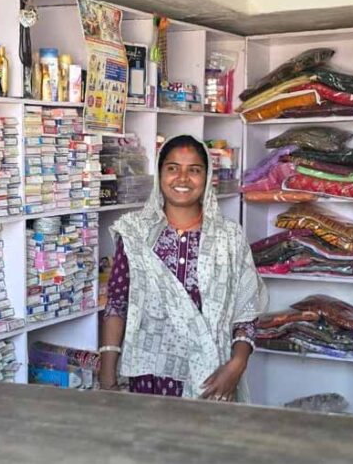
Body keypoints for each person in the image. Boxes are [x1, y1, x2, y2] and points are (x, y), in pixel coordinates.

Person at [99, 135, 267, 401]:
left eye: (194, 170)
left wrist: (237, 365)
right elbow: (117, 303)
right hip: (148, 375)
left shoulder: (229, 237)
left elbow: (246, 311)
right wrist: (107, 374)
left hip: (213, 376)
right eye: (173, 168)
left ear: (207, 176)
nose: (182, 178)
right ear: (160, 173)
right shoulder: (135, 232)